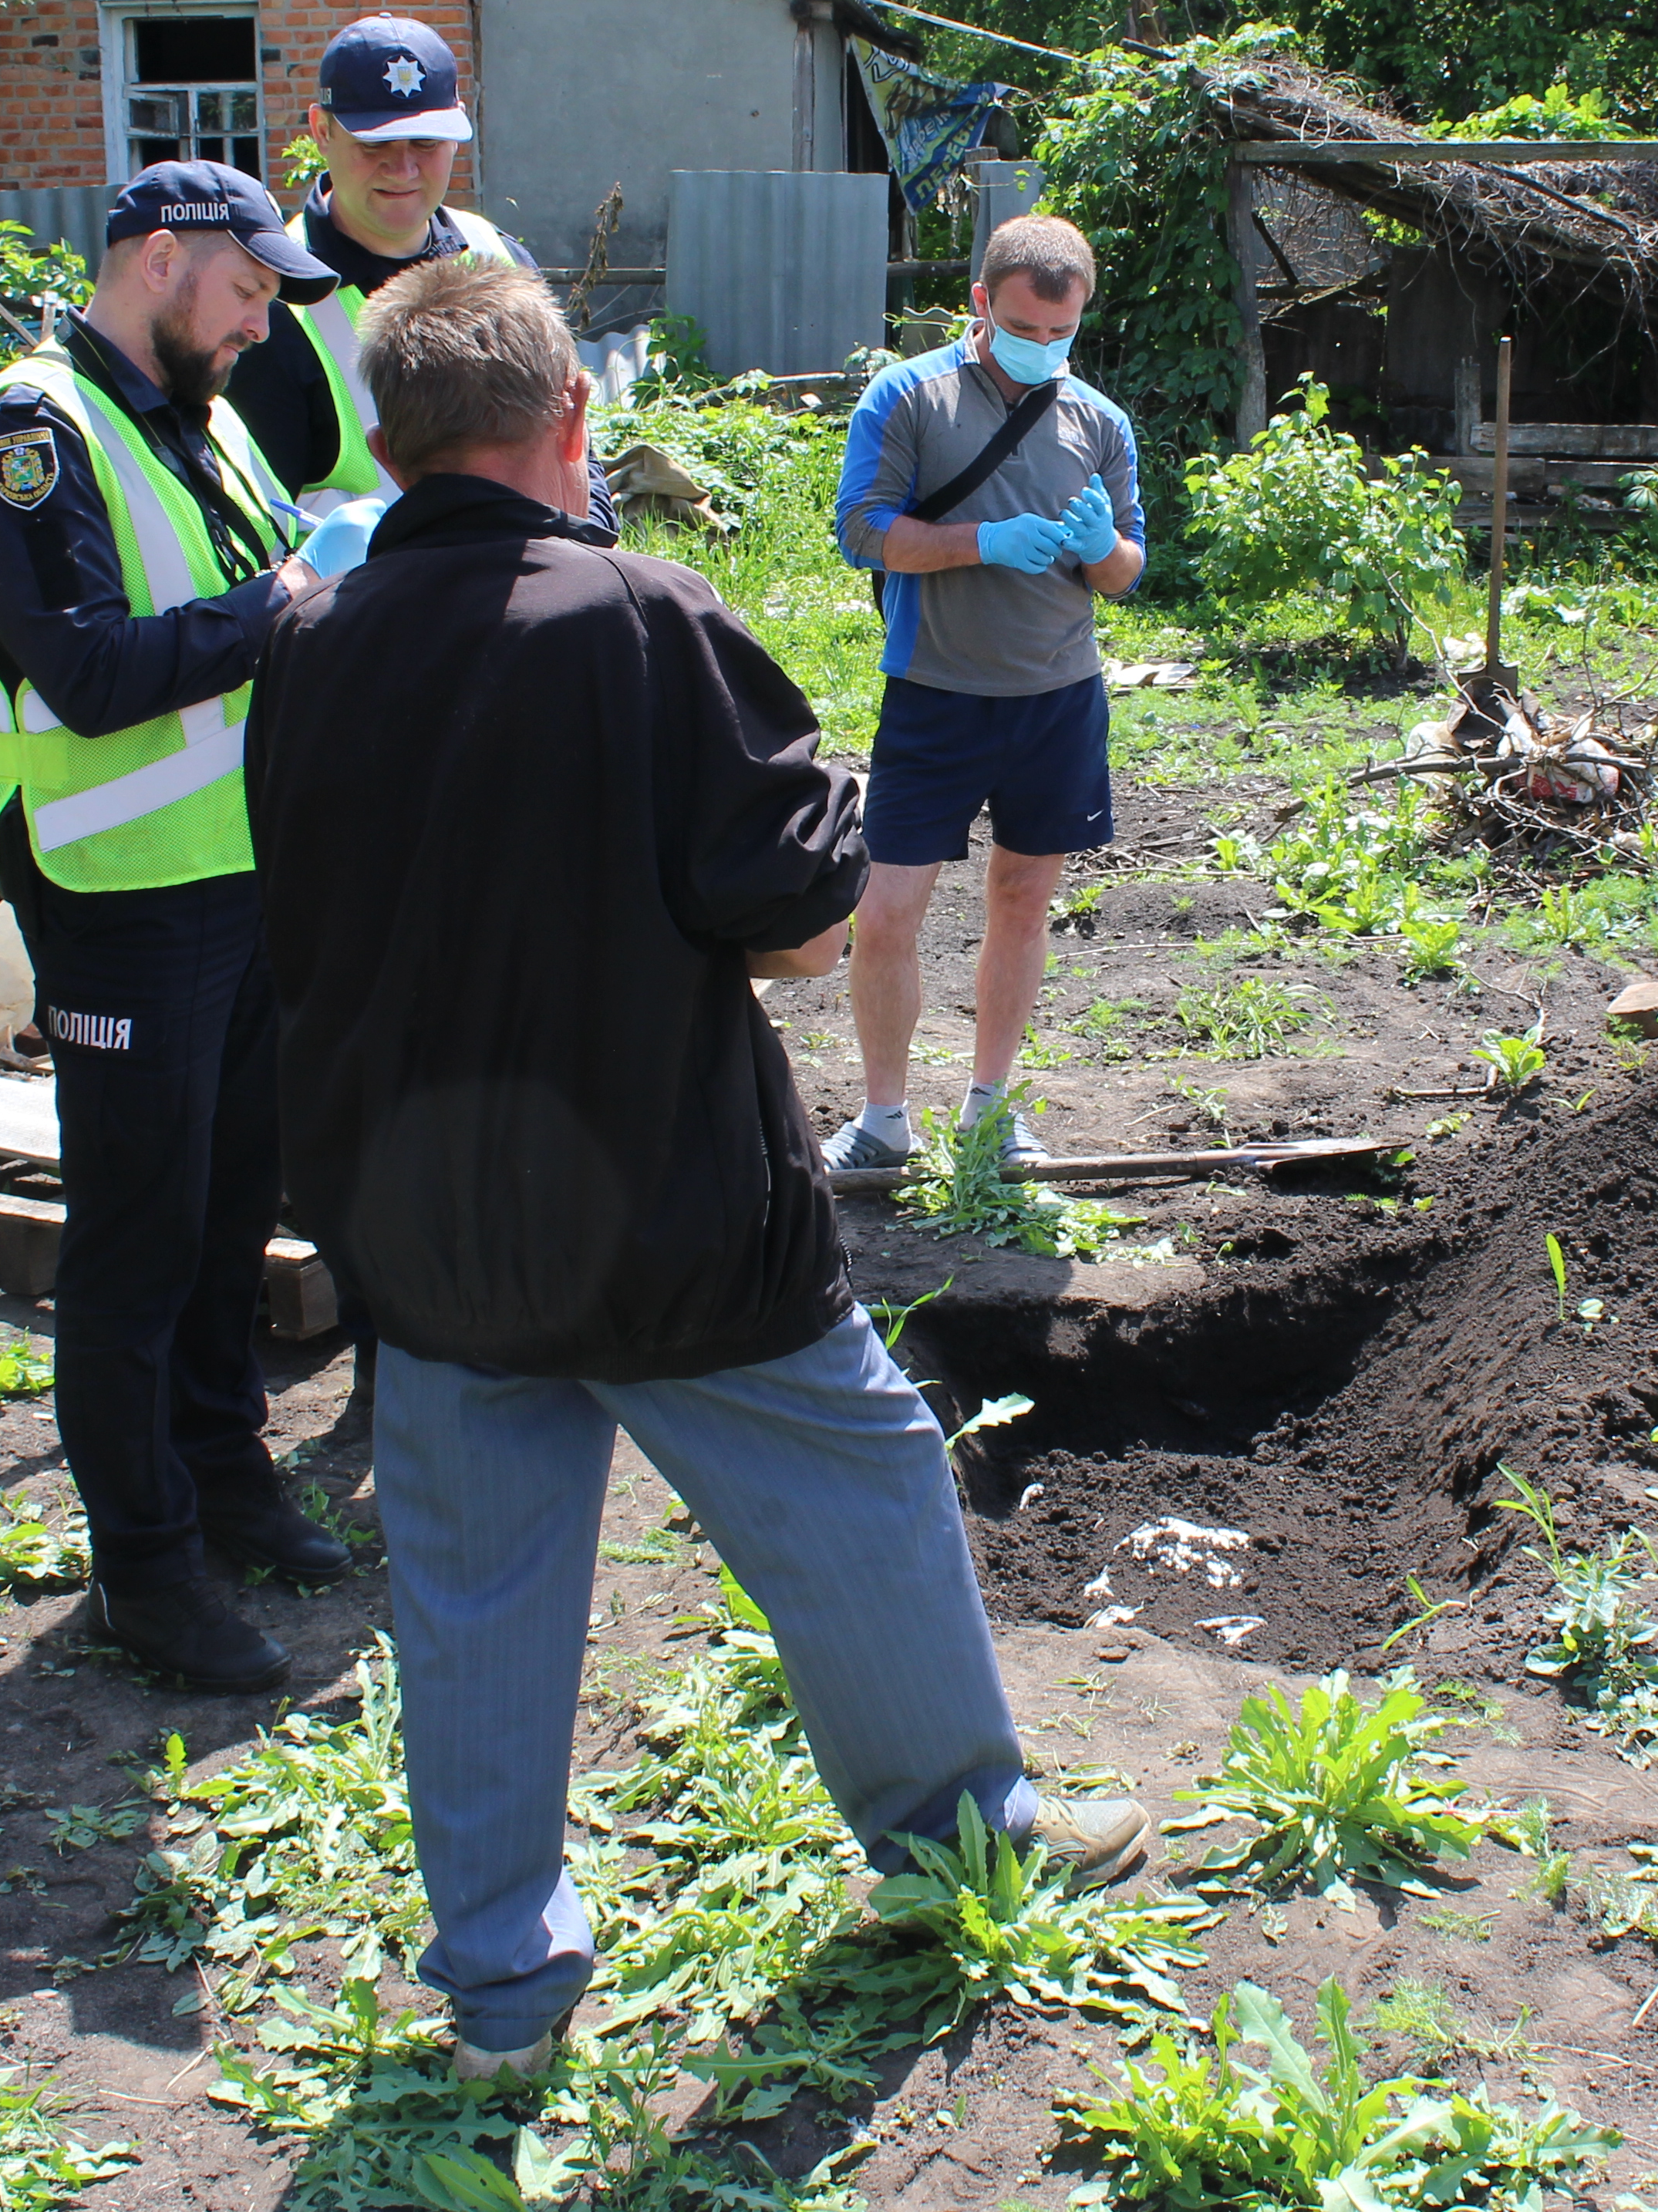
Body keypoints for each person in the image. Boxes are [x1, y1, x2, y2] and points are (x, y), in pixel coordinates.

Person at [245, 255, 1147, 2089]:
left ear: (388, 438)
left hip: (420, 1220)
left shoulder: (306, 632)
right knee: (870, 1483)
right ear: (570, 424)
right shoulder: (638, 616)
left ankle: (499, 1990)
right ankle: (957, 1840)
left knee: (473, 1592)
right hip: (663, 1206)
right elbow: (808, 916)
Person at [0, 159, 352, 1695]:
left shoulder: (204, 410)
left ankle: (223, 1476)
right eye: (247, 295)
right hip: (119, 900)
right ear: (162, 262)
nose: (258, 332)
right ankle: (145, 1570)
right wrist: (298, 596)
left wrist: (319, 573)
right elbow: (92, 673)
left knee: (233, 1202)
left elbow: (252, 585)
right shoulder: (24, 435)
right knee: (136, 1237)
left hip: (235, 875)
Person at [822, 213, 1144, 1176]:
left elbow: (1128, 568)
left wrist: (1100, 551)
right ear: (980, 303)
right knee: (884, 913)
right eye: (1024, 327)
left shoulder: (1100, 421)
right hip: (934, 695)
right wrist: (981, 543)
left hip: (1058, 698)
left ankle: (990, 1108)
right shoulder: (910, 397)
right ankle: (884, 1119)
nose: (1043, 347)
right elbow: (864, 532)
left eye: (1062, 332)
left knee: (1022, 897)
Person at [217, 14, 534, 514]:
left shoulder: (500, 255)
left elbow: (574, 448)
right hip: (356, 592)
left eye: (426, 143)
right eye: (375, 144)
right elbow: (258, 524)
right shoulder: (272, 301)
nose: (403, 168)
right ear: (321, 132)